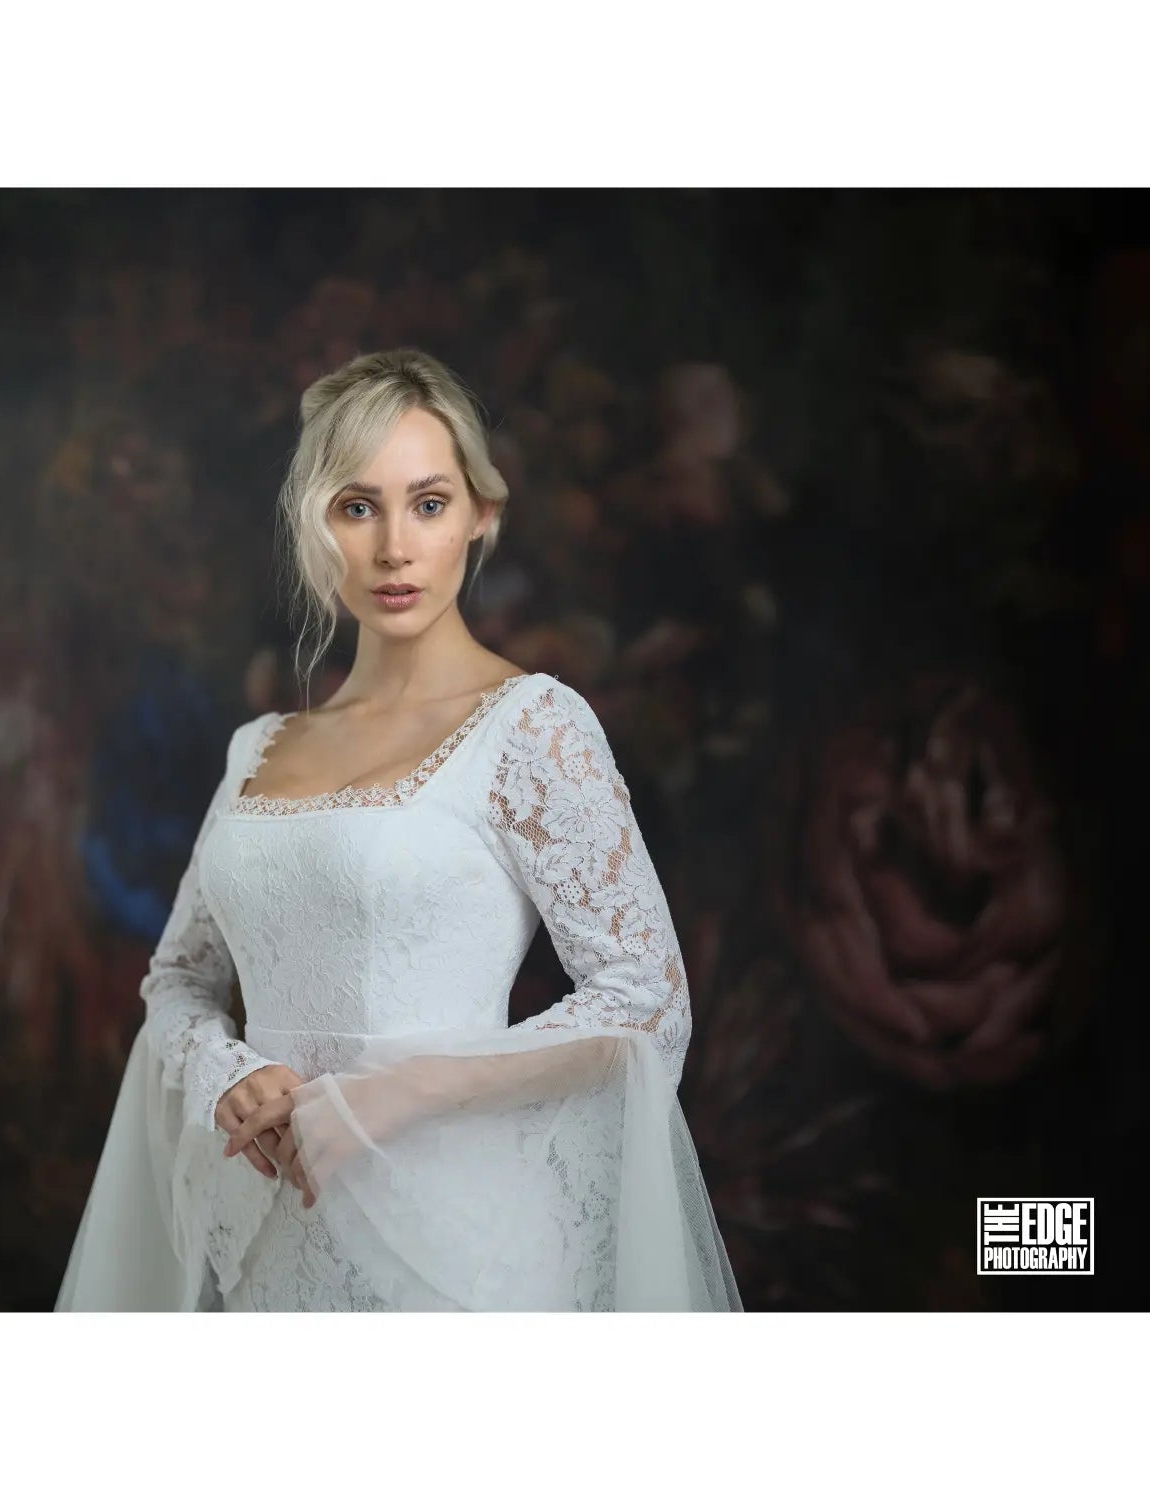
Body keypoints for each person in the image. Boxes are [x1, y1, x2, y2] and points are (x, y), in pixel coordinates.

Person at [55, 348, 743, 1311]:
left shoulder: (532, 726)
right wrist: (229, 1074)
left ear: (480, 516)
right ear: (315, 525)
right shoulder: (259, 747)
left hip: (454, 1249)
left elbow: (644, 999)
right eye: (356, 505)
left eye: (427, 503)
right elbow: (179, 980)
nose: (393, 548)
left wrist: (391, 1095)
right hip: (268, 1247)